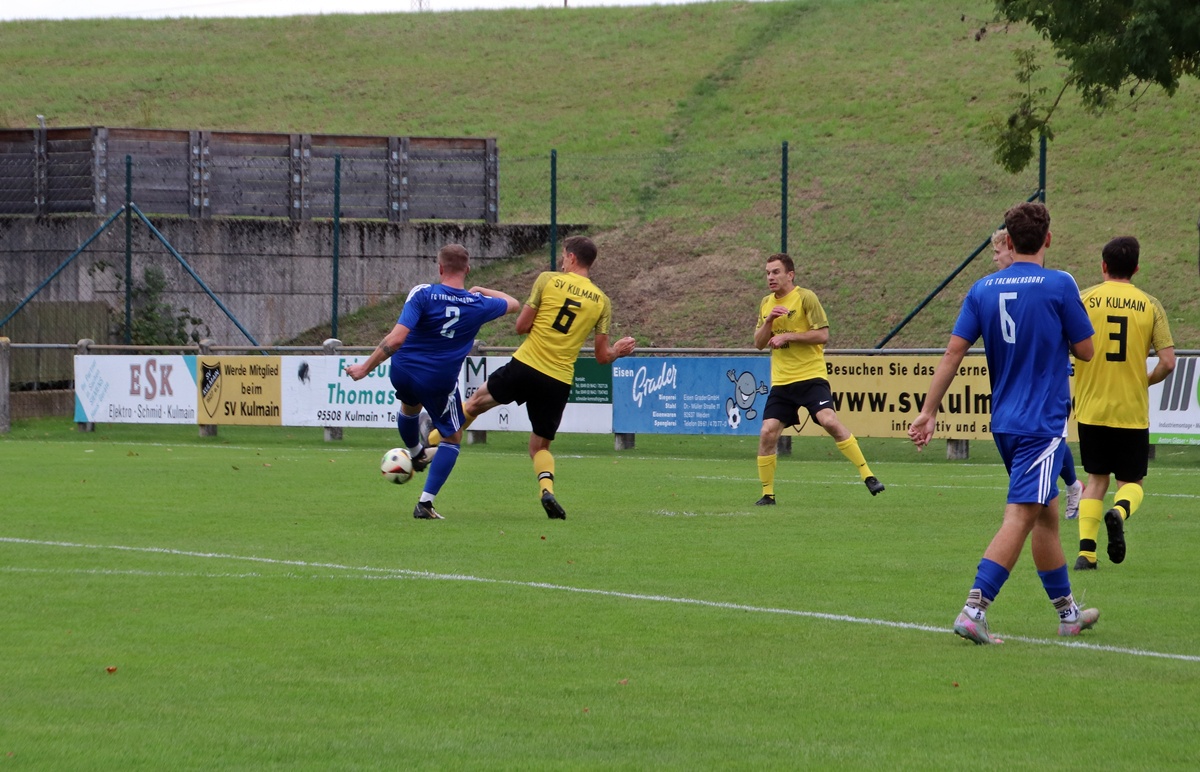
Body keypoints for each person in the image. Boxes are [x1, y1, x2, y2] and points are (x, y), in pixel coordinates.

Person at [910, 203, 1097, 644]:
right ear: (1048, 239)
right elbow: (1086, 350)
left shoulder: (982, 289)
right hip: (1041, 423)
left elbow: (953, 352)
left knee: (1046, 515)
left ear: (1008, 242)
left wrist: (928, 410)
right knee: (1020, 515)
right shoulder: (1060, 284)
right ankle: (974, 610)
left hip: (1005, 423)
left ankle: (1068, 614)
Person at [429, 235, 636, 520]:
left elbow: (521, 326)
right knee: (539, 446)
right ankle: (546, 490)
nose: (562, 262)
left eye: (564, 256)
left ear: (572, 257)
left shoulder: (547, 280)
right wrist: (618, 351)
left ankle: (428, 444)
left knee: (475, 404)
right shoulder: (602, 301)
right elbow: (602, 356)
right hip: (558, 379)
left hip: (526, 365)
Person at [345, 243, 519, 520]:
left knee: (409, 406)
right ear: (467, 269)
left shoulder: (423, 293)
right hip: (438, 380)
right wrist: (481, 290)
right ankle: (425, 504)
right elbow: (514, 304)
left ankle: (415, 453)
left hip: (403, 370)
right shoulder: (479, 303)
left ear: (440, 268)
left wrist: (365, 368)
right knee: (452, 437)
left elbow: (396, 339)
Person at [1071, 236, 1176, 570]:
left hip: (1091, 408)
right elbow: (1168, 362)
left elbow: (1063, 344)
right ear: (1136, 268)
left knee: (1096, 479)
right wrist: (1144, 380)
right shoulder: (1150, 305)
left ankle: (1086, 554)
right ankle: (1118, 511)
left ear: (1103, 265)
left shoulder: (1083, 300)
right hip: (1130, 410)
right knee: (1131, 484)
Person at [753, 253, 883, 506]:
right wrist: (769, 322)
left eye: (776, 272)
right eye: (767, 273)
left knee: (829, 421)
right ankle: (768, 495)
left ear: (790, 275)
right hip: (782, 382)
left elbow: (822, 335)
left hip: (810, 377)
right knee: (767, 432)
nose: (770, 277)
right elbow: (758, 344)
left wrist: (788, 336)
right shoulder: (766, 303)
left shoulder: (805, 297)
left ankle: (868, 475)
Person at [992, 228, 1085, 520]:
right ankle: (1071, 486)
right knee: (1041, 507)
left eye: (997, 252)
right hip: (1014, 392)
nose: (995, 258)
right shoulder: (992, 288)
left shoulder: (1054, 283)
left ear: (1011, 247)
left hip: (1044, 385)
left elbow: (1084, 346)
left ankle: (1072, 485)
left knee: (1049, 435)